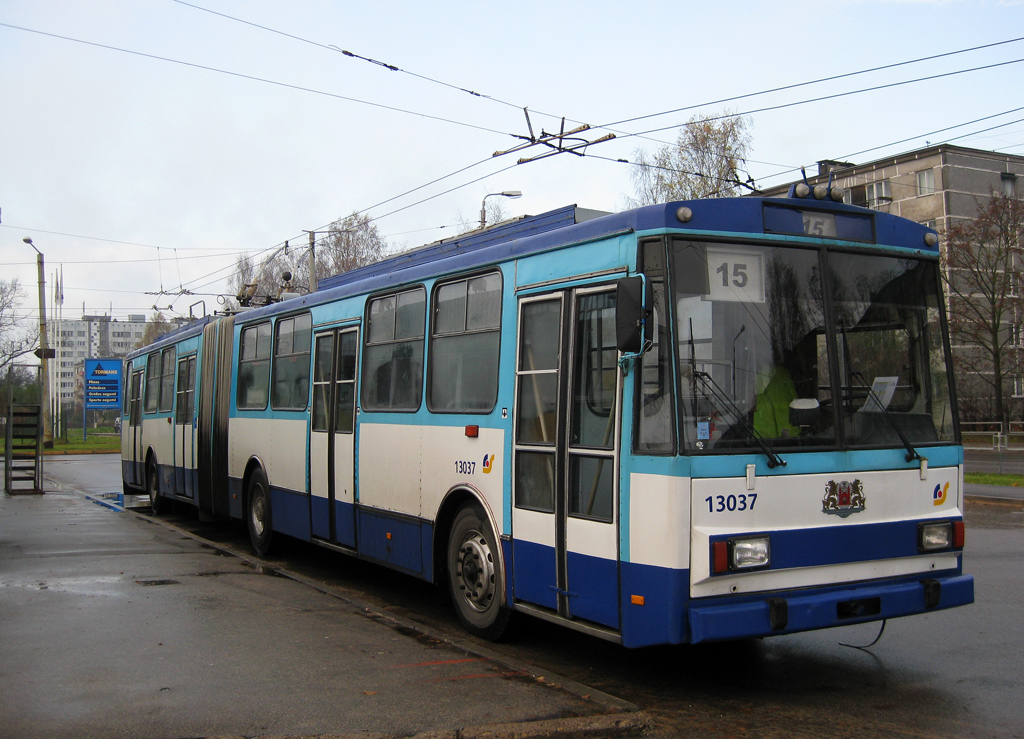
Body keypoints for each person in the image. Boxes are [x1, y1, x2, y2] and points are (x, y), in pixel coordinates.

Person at [752, 364, 798, 438]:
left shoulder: (750, 373)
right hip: (786, 431)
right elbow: (794, 400)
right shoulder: (782, 372)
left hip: (761, 434)